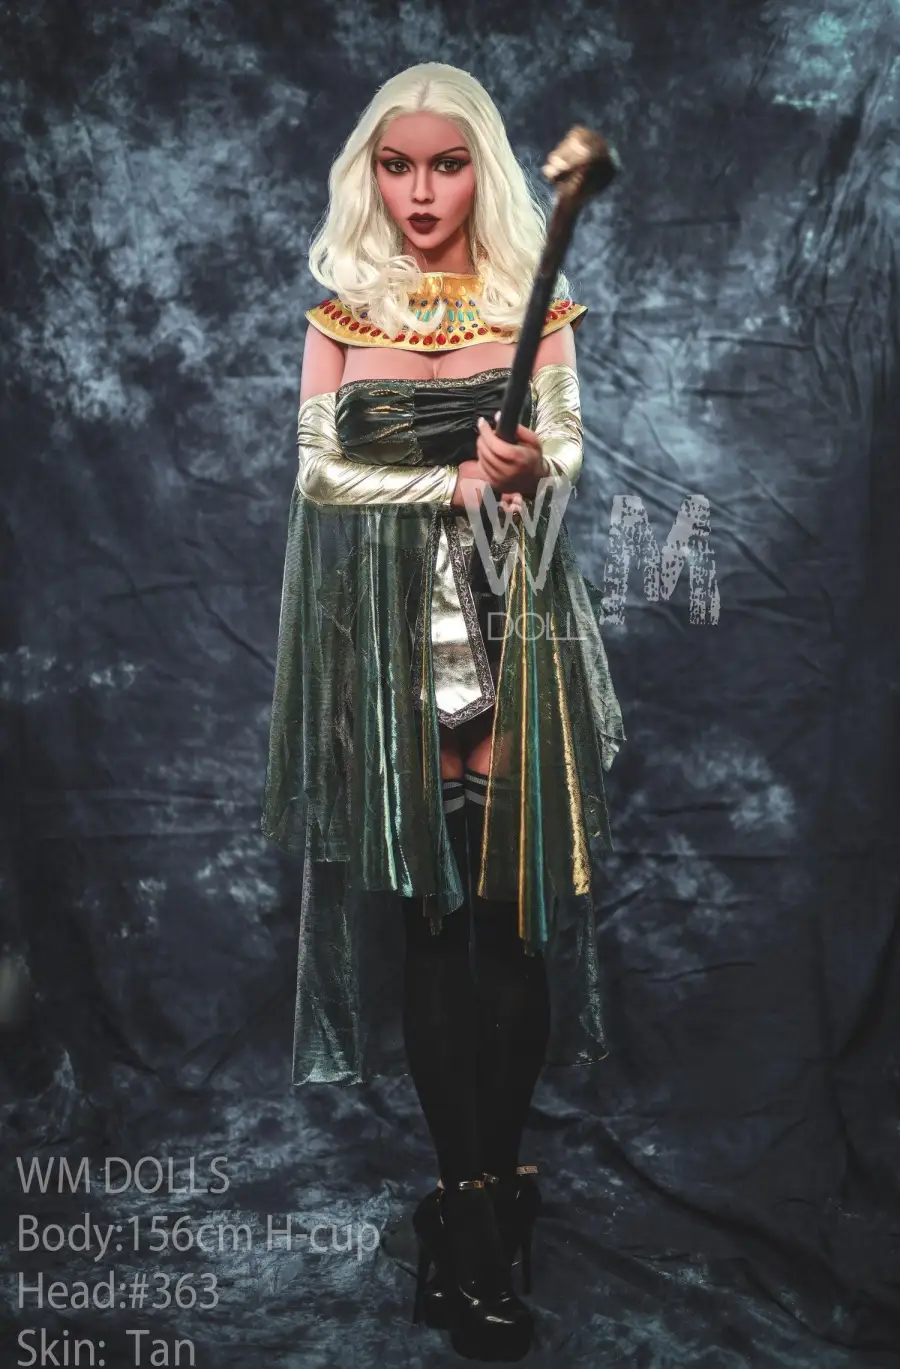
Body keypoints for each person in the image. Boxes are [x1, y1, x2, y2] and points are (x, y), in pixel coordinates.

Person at [261, 61, 625, 1360]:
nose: (422, 191)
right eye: (399, 164)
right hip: (391, 653)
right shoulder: (341, 313)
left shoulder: (541, 305)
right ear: (373, 171)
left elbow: (564, 456)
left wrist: (524, 468)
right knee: (433, 928)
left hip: (516, 630)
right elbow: (320, 475)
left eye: (449, 164)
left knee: (512, 930)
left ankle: (497, 1200)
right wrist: (449, 488)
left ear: (486, 170)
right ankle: (471, 1223)